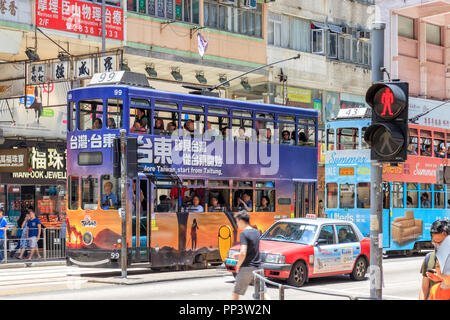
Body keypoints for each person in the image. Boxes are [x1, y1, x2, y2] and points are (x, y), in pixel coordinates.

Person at [231, 210, 269, 300]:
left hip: (247, 267)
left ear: (241, 221)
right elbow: (253, 249)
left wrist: (238, 265)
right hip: (258, 267)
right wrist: (238, 254)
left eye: (237, 221)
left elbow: (243, 252)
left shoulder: (244, 234)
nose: (237, 224)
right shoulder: (256, 232)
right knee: (263, 294)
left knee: (235, 293)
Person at [419, 219, 449, 300]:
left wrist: (440, 278)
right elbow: (424, 288)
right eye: (435, 242)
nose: (438, 246)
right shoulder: (429, 258)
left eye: (441, 242)